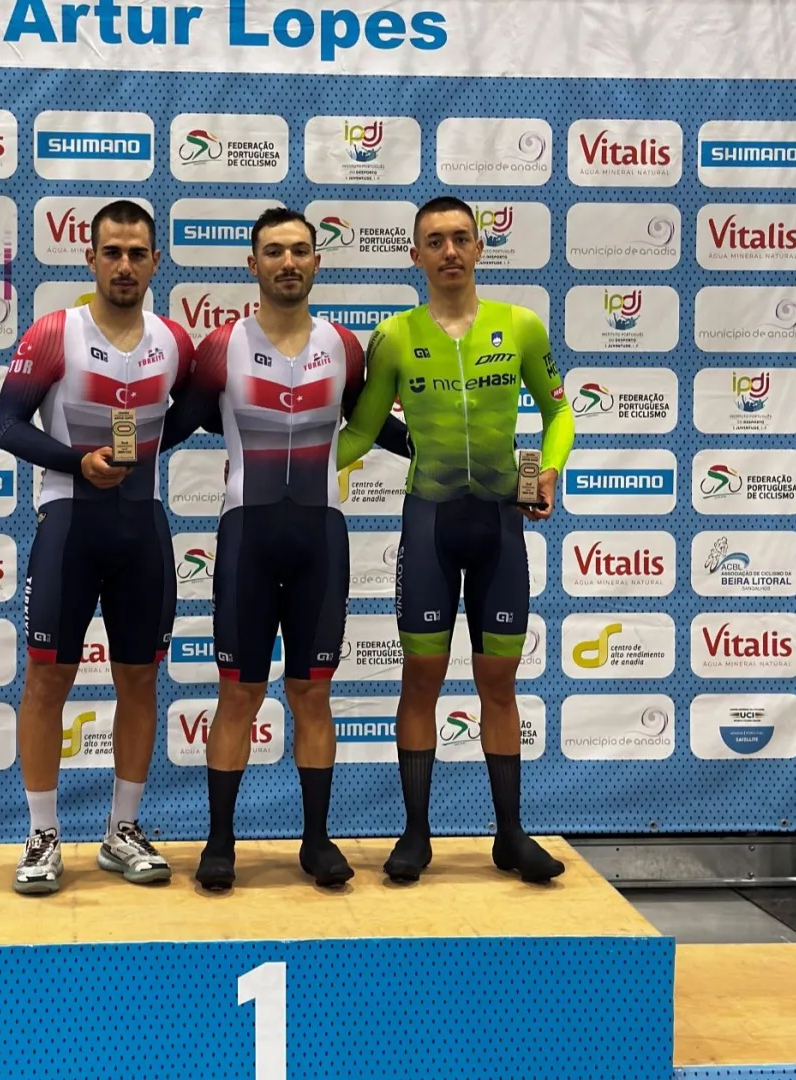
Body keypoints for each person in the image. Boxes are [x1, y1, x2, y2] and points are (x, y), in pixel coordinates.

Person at [160, 207, 410, 891]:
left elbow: (375, 425)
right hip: (248, 536)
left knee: (311, 692)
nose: (288, 262)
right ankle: (219, 842)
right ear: (253, 265)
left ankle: (317, 841)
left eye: (300, 250)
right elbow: (177, 423)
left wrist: (460, 460)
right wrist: (101, 452)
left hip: (320, 540)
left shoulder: (343, 347)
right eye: (274, 251)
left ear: (317, 263)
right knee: (238, 692)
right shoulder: (222, 347)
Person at [335, 195, 574, 885]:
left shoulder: (520, 326)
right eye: (435, 241)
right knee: (421, 679)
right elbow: (361, 430)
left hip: (498, 526)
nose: (449, 251)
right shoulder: (393, 336)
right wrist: (292, 467)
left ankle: (510, 835)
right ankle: (416, 834)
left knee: (498, 683)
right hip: (430, 526)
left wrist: (550, 470)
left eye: (460, 238)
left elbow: (559, 414)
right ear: (415, 255)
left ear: (479, 248)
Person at [0, 199, 193, 894]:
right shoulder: (56, 332)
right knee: (48, 679)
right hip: (69, 526)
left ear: (155, 262)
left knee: (139, 680)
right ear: (90, 259)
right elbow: (6, 425)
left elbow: (198, 408)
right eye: (112, 253)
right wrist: (76, 462)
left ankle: (122, 830)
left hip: (142, 530)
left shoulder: (173, 340)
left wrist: (152, 446)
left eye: (137, 254)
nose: (124, 266)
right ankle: (43, 834)